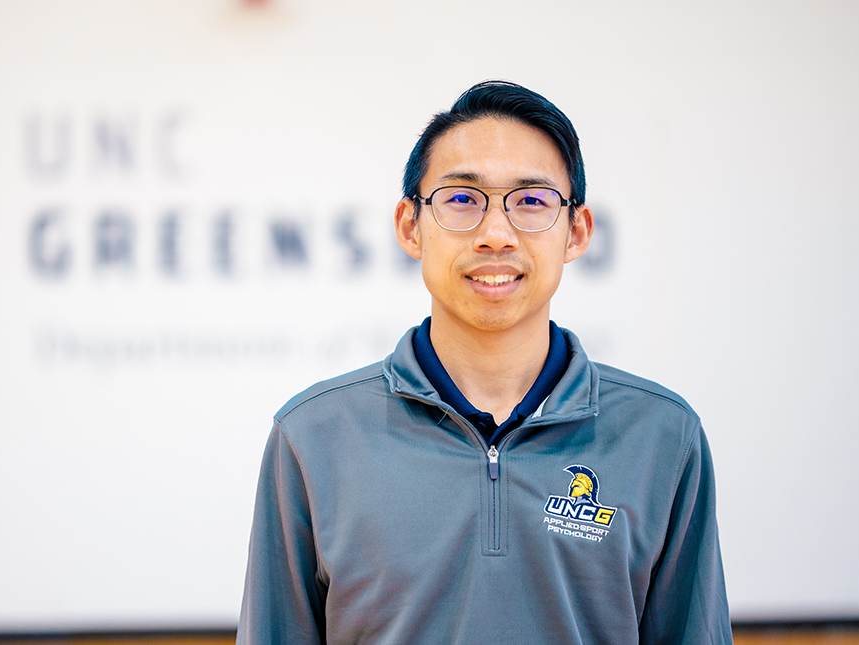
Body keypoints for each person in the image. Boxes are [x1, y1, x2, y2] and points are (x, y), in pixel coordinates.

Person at [237, 81, 730, 643]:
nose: (496, 234)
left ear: (577, 231)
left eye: (532, 202)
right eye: (462, 200)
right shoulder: (313, 436)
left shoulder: (662, 437)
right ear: (409, 226)